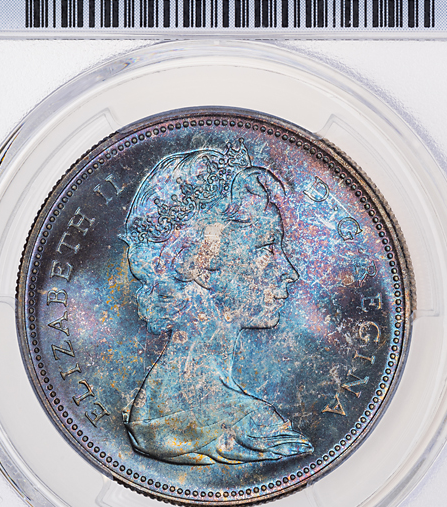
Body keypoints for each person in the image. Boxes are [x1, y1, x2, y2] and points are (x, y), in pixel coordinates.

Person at [120, 140, 313, 465]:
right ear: (201, 264)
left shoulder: (146, 412)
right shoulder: (256, 428)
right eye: (267, 248)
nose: (289, 272)